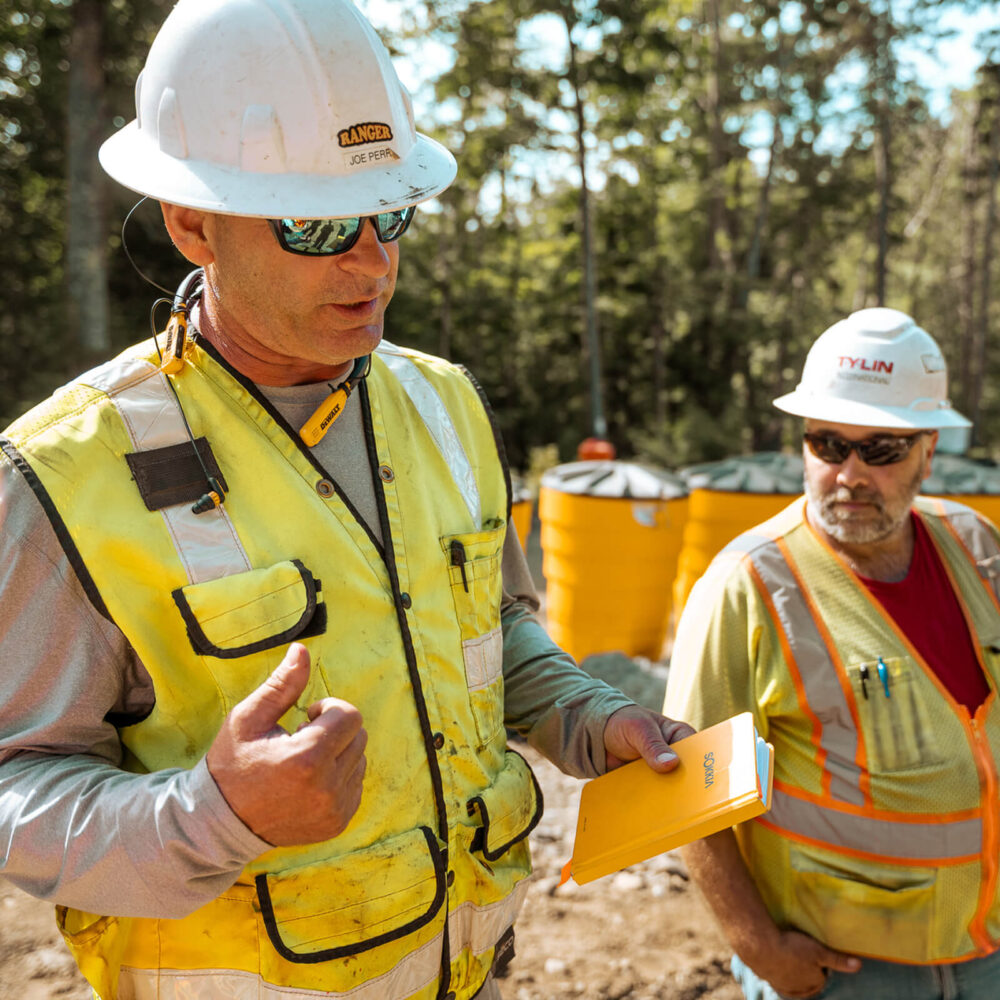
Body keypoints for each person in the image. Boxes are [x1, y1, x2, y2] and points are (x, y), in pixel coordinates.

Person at [0, 2, 693, 998]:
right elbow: (16, 781)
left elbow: (488, 632)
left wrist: (589, 716)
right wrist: (212, 815)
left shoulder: (446, 406)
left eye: (390, 217)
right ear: (193, 224)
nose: (372, 265)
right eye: (316, 226)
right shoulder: (64, 474)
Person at [664, 307, 1000, 1000]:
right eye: (827, 444)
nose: (848, 474)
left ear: (928, 449)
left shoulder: (975, 544)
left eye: (880, 450)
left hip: (987, 951)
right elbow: (686, 792)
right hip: (845, 972)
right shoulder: (748, 584)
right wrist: (757, 948)